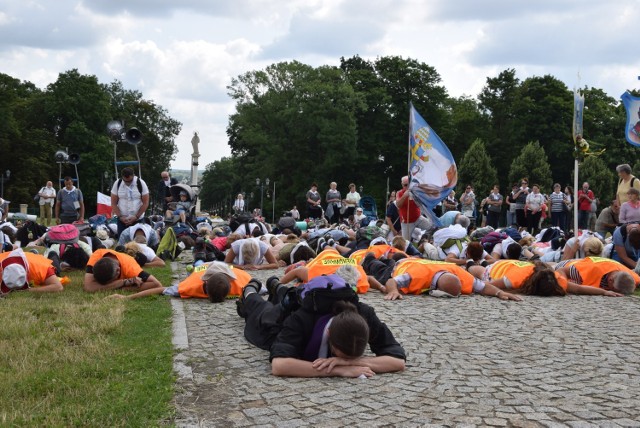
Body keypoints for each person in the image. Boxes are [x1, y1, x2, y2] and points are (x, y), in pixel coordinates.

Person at [238, 266, 406, 378]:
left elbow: (397, 361)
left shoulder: (365, 313)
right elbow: (279, 365)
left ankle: (275, 285)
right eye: (341, 355)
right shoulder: (303, 318)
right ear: (329, 333)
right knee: (260, 307)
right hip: (282, 319)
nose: (345, 360)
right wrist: (338, 370)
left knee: (291, 293)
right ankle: (251, 289)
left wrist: (353, 362)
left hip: (315, 299)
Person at [368, 257, 522, 301]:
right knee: (377, 267)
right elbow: (391, 281)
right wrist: (393, 291)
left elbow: (483, 286)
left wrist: (499, 293)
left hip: (416, 260)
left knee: (390, 258)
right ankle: (369, 258)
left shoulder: (461, 275)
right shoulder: (419, 275)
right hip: (402, 266)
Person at [110, 261, 253, 302]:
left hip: (205, 269)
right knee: (198, 264)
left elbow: (161, 289)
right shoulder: (243, 282)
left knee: (199, 263)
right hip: (212, 268)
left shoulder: (190, 286)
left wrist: (127, 298)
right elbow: (265, 287)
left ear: (205, 283)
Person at [468, 260, 622, 297]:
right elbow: (486, 285)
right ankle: (471, 264)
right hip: (500, 268)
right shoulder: (514, 280)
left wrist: (603, 292)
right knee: (480, 272)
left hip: (516, 265)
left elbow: (580, 289)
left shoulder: (557, 281)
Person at [83, 248, 162, 293]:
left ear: (118, 271)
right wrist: (123, 282)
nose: (109, 285)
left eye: (110, 282)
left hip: (128, 259)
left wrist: (124, 288)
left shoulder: (130, 267)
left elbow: (157, 284)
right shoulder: (97, 255)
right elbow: (89, 287)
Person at [555, 257, 638, 295]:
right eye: (614, 290)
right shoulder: (583, 271)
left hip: (587, 262)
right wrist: (563, 285)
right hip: (567, 265)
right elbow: (561, 270)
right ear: (610, 280)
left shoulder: (633, 278)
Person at [111, 167, 150, 237]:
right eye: (125, 181)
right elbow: (113, 203)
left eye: (130, 181)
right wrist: (120, 217)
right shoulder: (117, 183)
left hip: (138, 220)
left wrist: (136, 216)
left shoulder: (141, 183)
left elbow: (145, 203)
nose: (128, 183)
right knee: (122, 244)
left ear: (133, 175)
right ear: (122, 177)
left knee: (138, 243)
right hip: (122, 220)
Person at [396, 176, 421, 241]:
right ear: (402, 185)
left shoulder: (415, 191)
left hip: (418, 218)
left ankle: (424, 241)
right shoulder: (399, 193)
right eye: (405, 185)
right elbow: (398, 205)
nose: (407, 187)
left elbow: (421, 204)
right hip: (407, 222)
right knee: (405, 242)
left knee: (431, 227)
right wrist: (405, 195)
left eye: (409, 184)